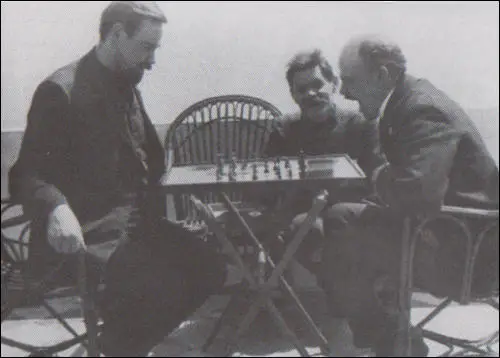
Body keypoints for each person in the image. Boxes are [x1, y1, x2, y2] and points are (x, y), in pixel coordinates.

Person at [8, 2, 226, 356]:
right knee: (153, 281)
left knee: (210, 266)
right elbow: (26, 175)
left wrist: (188, 199)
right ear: (116, 35)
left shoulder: (126, 85)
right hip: (86, 233)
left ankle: (119, 345)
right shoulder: (60, 90)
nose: (152, 61)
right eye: (146, 48)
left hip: (133, 227)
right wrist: (56, 207)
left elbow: (152, 164)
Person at [320, 35, 499, 356]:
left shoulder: (422, 108)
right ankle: (393, 338)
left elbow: (417, 193)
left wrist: (378, 176)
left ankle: (387, 338)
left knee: (340, 224)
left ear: (383, 75)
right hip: (443, 233)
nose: (344, 92)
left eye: (349, 80)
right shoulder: (407, 102)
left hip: (467, 254)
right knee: (333, 228)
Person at [260, 49, 384, 277]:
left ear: (334, 84)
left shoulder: (361, 125)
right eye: (302, 89)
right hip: (302, 216)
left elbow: (377, 180)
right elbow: (268, 186)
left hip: (349, 216)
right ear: (293, 95)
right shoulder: (284, 129)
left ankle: (342, 290)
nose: (311, 93)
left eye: (318, 84)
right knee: (303, 227)